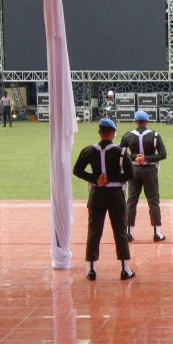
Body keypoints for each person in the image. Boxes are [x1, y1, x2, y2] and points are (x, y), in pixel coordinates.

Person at [73, 118, 136, 281]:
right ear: (113, 133)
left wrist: (96, 179)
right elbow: (130, 174)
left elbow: (77, 170)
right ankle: (125, 269)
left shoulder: (89, 150)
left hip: (96, 194)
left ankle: (92, 270)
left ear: (99, 133)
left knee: (94, 231)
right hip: (115, 195)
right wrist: (114, 177)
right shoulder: (121, 152)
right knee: (120, 232)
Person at [120, 110, 167, 242]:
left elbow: (120, 153)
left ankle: (129, 233)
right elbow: (163, 155)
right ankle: (157, 233)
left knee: (131, 201)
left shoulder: (127, 136)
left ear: (135, 121)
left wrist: (134, 156)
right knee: (153, 201)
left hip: (133, 170)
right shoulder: (155, 135)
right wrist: (146, 158)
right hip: (150, 171)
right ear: (146, 121)